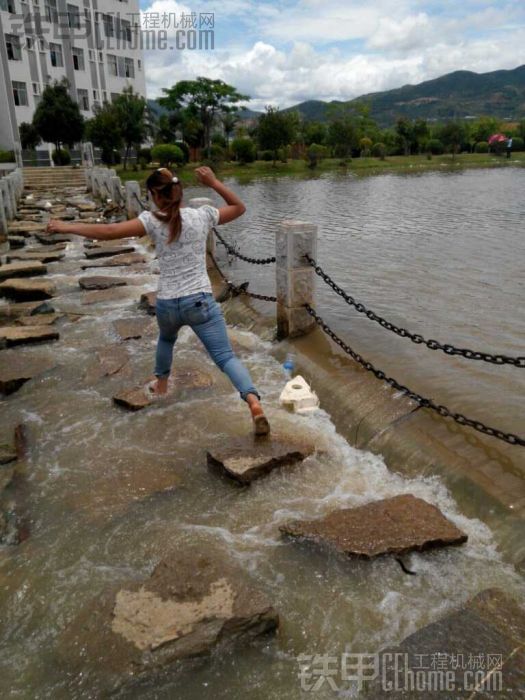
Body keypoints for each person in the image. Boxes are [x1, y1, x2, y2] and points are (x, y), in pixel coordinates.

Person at [45, 166, 270, 436]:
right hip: (199, 301)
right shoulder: (202, 216)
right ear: (179, 191)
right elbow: (239, 207)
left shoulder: (151, 221)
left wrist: (65, 226)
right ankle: (254, 403)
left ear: (153, 194)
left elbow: (109, 230)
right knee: (225, 357)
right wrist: (212, 182)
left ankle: (161, 387)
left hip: (167, 303)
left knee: (166, 340)